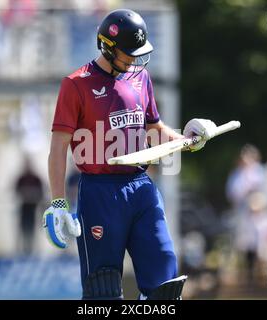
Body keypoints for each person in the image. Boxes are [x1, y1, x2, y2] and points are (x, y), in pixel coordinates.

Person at [42, 9, 217, 300]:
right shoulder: (76, 84)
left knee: (164, 279)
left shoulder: (141, 77)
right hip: (99, 194)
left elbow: (154, 127)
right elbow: (59, 147)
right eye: (128, 53)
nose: (135, 59)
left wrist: (189, 140)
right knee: (103, 288)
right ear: (107, 48)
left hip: (141, 187)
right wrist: (58, 202)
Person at [15, 159, 44, 255]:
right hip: (24, 207)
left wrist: (33, 195)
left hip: (34, 208)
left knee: (33, 229)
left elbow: (41, 192)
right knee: (23, 229)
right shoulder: (21, 178)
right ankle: (24, 250)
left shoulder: (36, 178)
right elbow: (16, 191)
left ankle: (33, 250)